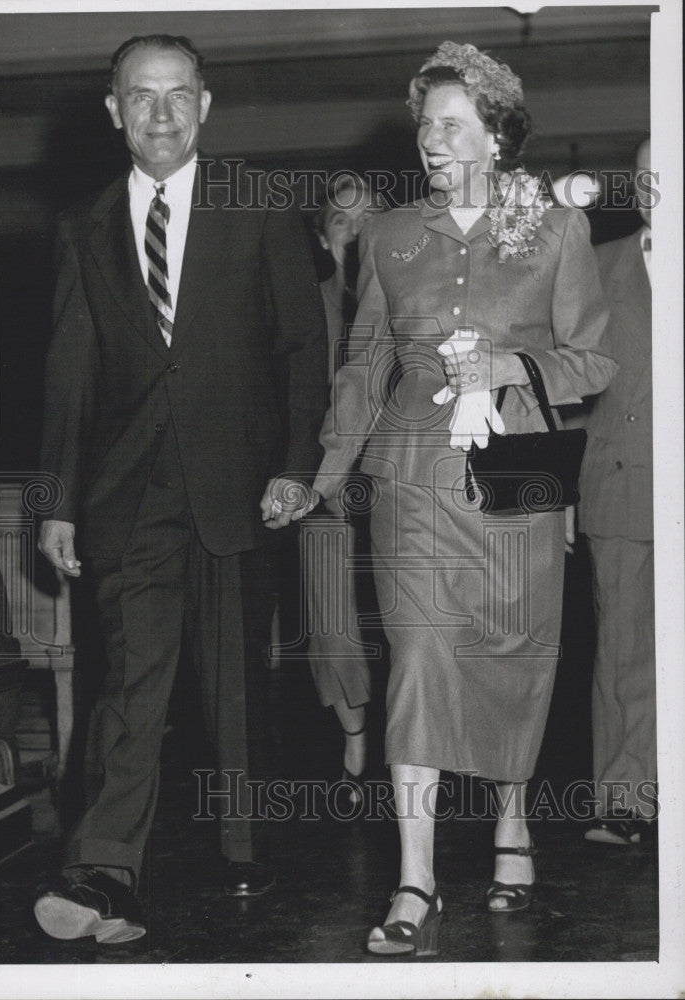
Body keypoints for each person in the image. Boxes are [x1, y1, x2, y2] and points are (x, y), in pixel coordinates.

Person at [312, 41, 617, 955]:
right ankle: (416, 878)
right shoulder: (391, 235)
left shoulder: (556, 232)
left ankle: (513, 825)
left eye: (450, 125)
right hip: (411, 481)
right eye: (424, 126)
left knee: (512, 656)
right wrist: (325, 475)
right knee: (419, 660)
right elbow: (363, 364)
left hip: (517, 479)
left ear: (496, 136)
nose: (430, 141)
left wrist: (511, 361)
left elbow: (592, 360)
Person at [34, 34, 328, 943]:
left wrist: (295, 464)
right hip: (129, 492)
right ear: (115, 111)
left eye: (178, 96)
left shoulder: (262, 202)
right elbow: (69, 374)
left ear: (204, 106)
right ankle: (105, 871)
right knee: (130, 682)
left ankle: (245, 844)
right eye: (141, 97)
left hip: (241, 484)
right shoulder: (84, 226)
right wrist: (56, 500)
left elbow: (301, 348)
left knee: (235, 681)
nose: (160, 114)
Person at [578, 137, 656, 845]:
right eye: (647, 172)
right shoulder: (601, 267)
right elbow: (566, 380)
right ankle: (625, 797)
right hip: (624, 479)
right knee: (625, 650)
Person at [302, 174, 384, 797]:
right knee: (332, 614)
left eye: (366, 222)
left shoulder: (415, 298)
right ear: (324, 239)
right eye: (340, 223)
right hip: (325, 485)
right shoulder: (305, 308)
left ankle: (418, 738)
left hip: (403, 484)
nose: (353, 235)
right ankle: (356, 732)